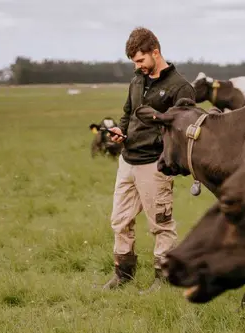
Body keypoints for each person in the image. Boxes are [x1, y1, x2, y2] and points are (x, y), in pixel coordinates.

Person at [102, 27, 195, 292]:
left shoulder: (181, 87)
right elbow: (127, 114)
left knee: (161, 225)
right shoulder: (136, 81)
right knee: (119, 220)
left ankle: (163, 280)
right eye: (134, 62)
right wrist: (121, 131)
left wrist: (156, 122)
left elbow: (183, 129)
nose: (138, 66)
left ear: (156, 52)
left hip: (155, 165)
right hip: (127, 161)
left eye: (141, 60)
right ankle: (123, 275)